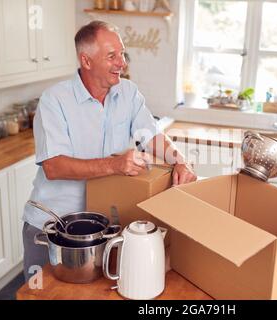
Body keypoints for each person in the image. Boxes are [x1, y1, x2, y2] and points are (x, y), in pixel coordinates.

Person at [22, 21, 196, 282]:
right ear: (87, 60)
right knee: (41, 294)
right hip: (55, 228)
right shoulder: (54, 100)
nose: (122, 63)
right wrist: (114, 165)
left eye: (122, 53)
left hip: (103, 228)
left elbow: (151, 136)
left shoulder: (128, 93)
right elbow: (54, 167)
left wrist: (180, 161)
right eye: (112, 56)